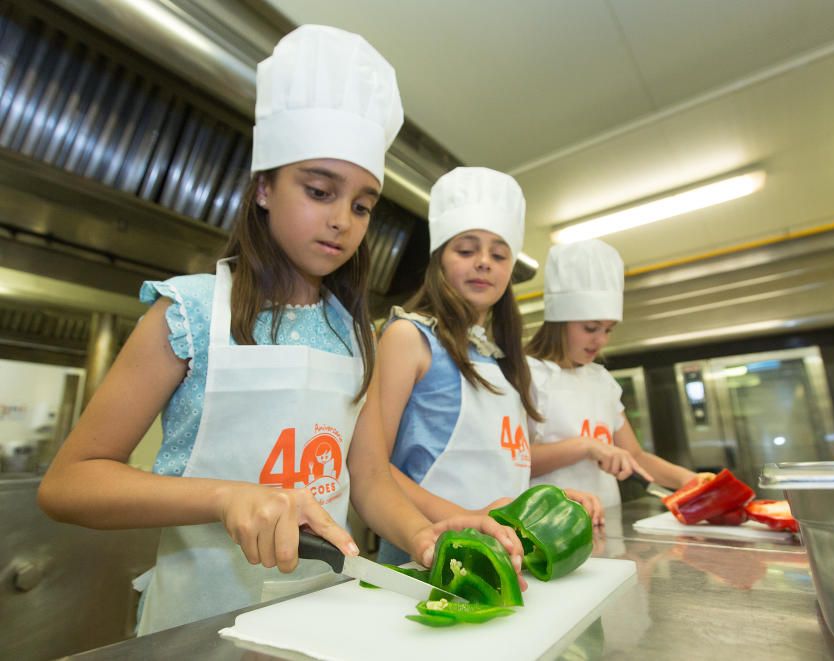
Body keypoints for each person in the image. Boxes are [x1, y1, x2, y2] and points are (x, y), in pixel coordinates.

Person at [37, 25, 521, 635]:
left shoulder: (354, 332)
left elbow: (367, 477)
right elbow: (69, 483)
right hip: (197, 627)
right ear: (264, 187)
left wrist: (425, 535)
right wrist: (224, 496)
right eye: (320, 190)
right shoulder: (188, 314)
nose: (342, 221)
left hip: (322, 621)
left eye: (362, 204)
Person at [374, 167, 602, 564]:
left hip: (505, 556)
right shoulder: (410, 338)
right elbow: (373, 470)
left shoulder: (502, 358)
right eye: (466, 250)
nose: (484, 262)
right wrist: (466, 520)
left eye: (499, 254)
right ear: (439, 259)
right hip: (424, 559)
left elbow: (502, 470)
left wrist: (546, 503)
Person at [526, 239, 697, 508]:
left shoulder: (601, 381)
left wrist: (692, 481)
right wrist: (586, 446)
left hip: (606, 515)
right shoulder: (526, 375)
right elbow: (516, 462)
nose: (601, 340)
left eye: (608, 330)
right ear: (558, 323)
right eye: (591, 328)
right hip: (547, 524)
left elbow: (635, 456)